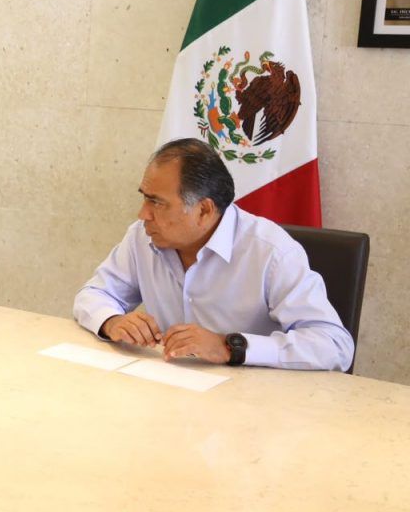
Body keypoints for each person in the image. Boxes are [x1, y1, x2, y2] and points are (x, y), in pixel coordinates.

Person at [73, 138, 353, 371]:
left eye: (157, 203)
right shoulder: (141, 236)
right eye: (145, 197)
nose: (143, 214)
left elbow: (334, 345)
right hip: (169, 392)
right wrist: (113, 321)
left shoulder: (271, 252)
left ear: (204, 211)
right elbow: (93, 295)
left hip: (253, 408)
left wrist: (229, 346)